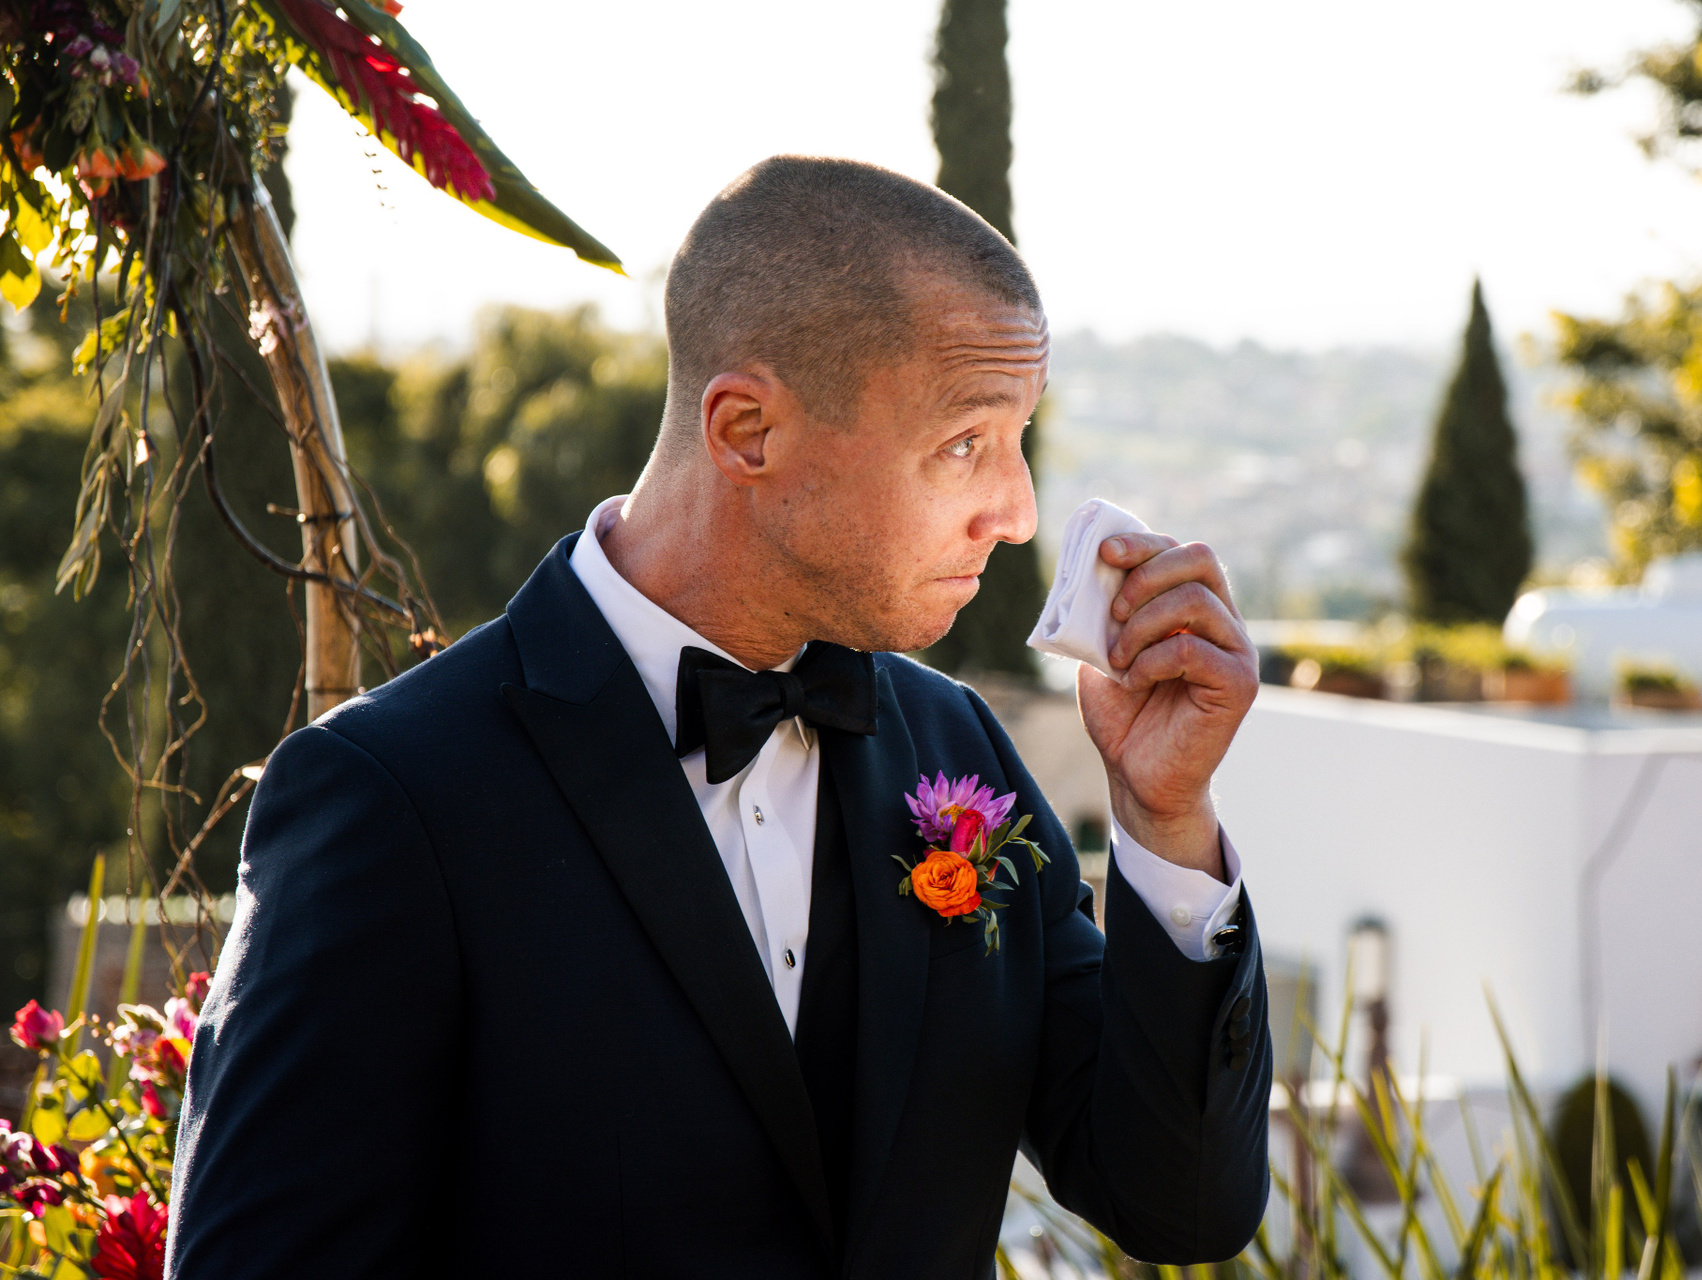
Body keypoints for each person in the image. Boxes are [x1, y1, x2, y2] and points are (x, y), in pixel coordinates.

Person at [166, 156, 1272, 1278]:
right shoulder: (391, 795)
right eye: (963, 444)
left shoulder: (958, 748)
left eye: (1019, 440)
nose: (1019, 512)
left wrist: (1164, 812)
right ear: (747, 431)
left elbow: (1181, 1205)